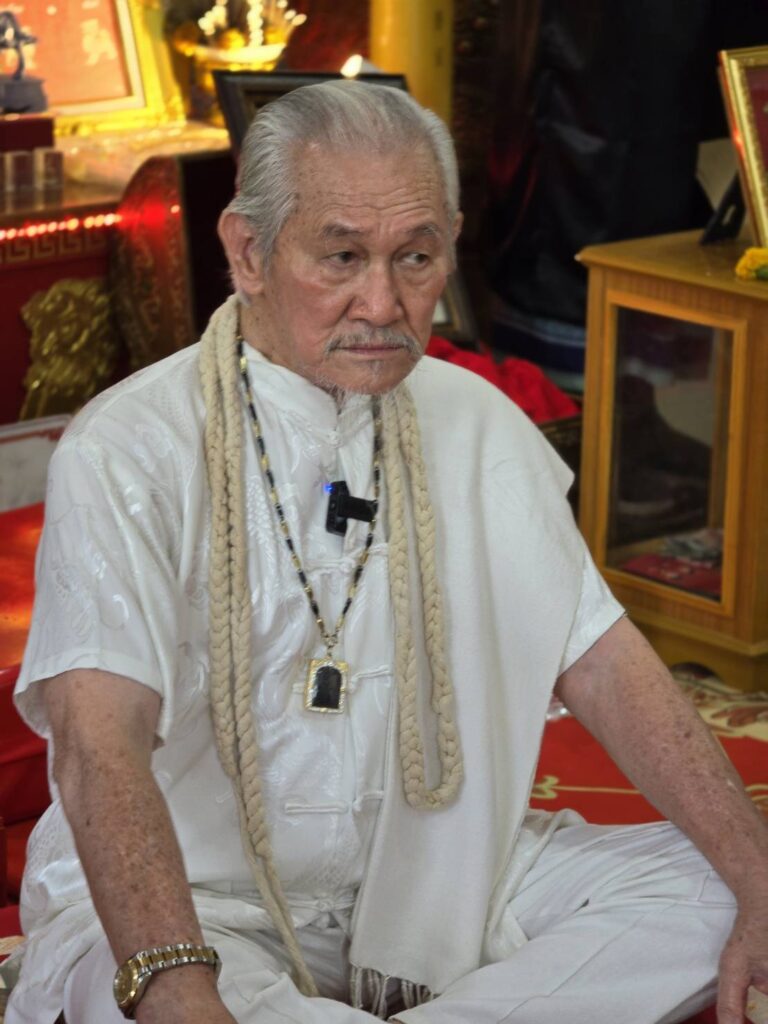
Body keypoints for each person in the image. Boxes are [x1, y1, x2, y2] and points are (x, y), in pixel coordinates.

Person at [6, 80, 768, 1024]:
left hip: (440, 874)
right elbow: (98, 745)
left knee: (718, 888)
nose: (384, 301)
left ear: (451, 242)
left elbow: (605, 665)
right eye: (342, 256)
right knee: (128, 991)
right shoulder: (131, 449)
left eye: (415, 256)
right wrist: (180, 989)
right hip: (202, 905)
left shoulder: (476, 424)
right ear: (248, 251)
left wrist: (756, 876)